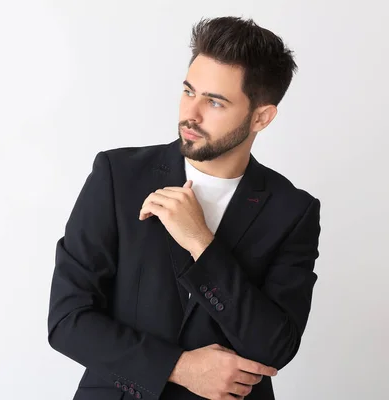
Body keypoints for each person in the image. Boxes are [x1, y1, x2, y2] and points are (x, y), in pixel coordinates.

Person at [47, 16, 321, 400]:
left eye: (214, 101)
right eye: (189, 91)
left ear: (261, 116)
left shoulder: (293, 211)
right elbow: (67, 321)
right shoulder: (117, 176)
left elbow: (275, 347)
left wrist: (201, 244)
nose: (191, 114)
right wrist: (179, 368)